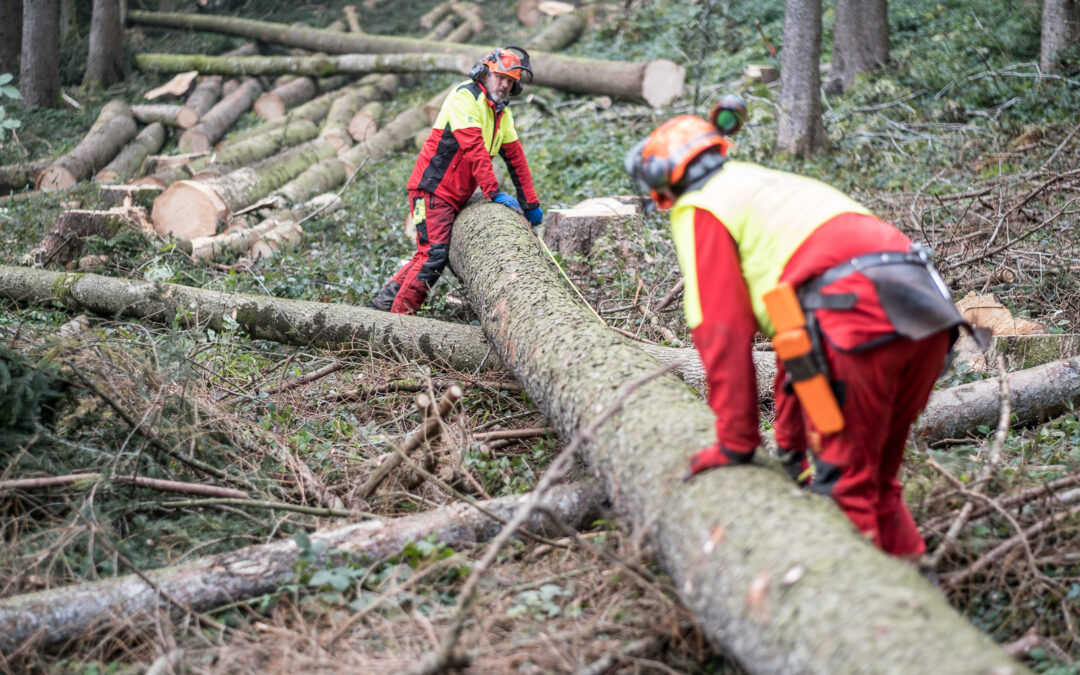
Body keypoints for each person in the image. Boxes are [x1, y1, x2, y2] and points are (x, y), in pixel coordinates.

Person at [625, 108, 978, 558]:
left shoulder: (702, 206)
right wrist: (790, 451)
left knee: (844, 493)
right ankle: (915, 589)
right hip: (927, 312)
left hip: (858, 319)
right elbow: (797, 344)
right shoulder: (774, 188)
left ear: (664, 182)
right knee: (874, 481)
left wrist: (736, 443)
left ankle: (864, 617)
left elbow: (722, 333)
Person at [371, 46, 544, 314]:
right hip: (432, 190)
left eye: (510, 81)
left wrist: (530, 204)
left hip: (454, 195)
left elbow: (516, 160)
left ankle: (382, 308)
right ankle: (398, 321)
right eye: (500, 77)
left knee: (425, 255)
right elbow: (473, 147)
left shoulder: (502, 114)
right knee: (433, 256)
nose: (504, 84)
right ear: (485, 72)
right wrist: (493, 192)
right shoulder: (465, 96)